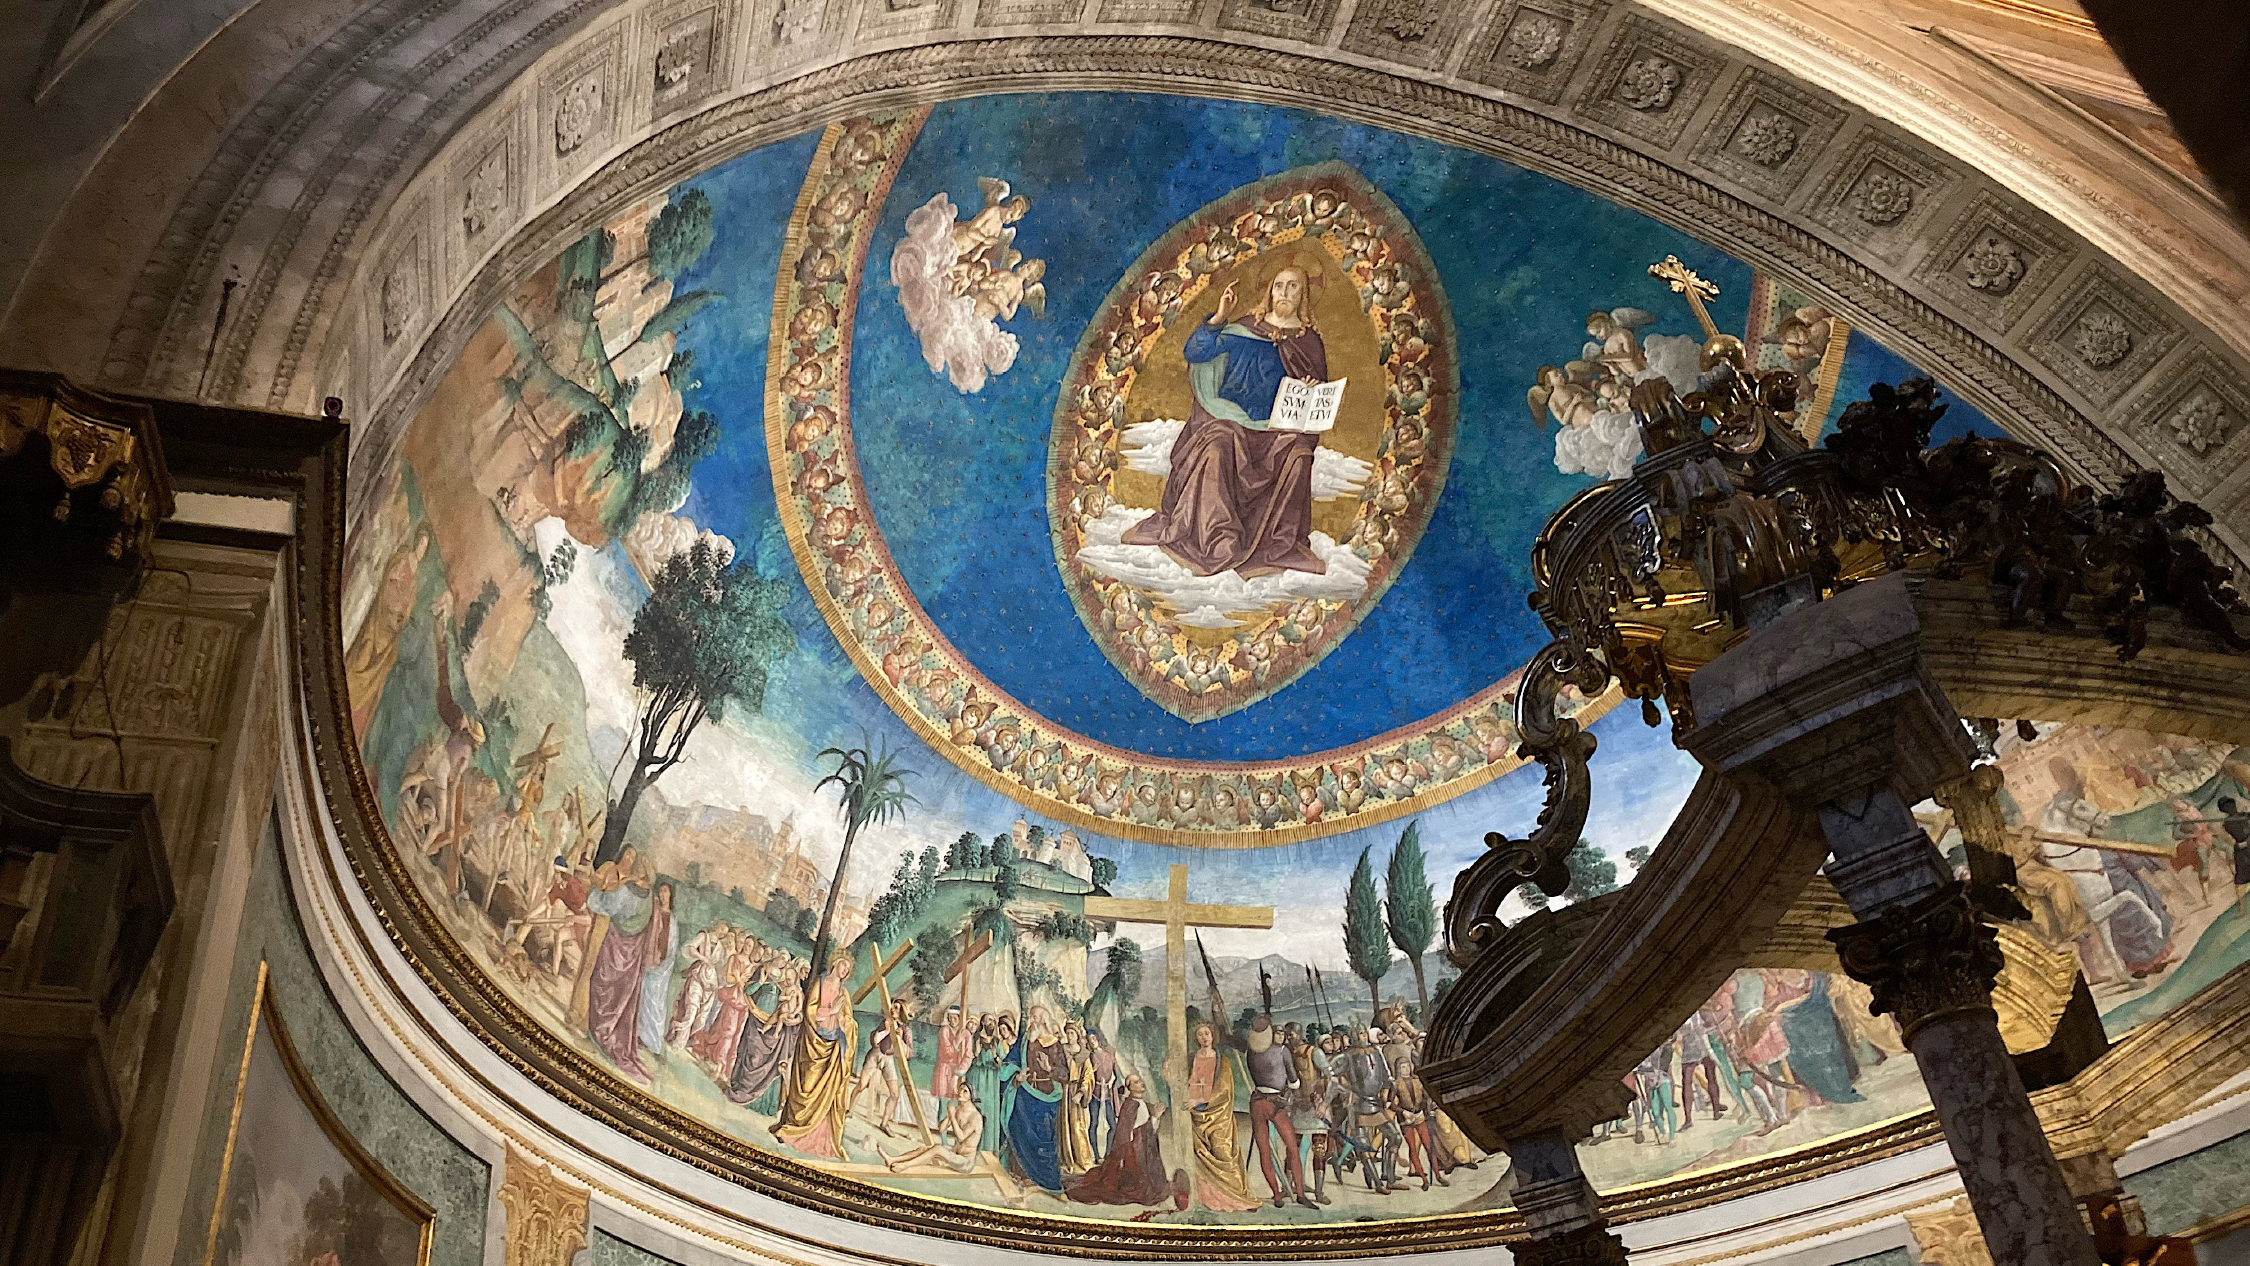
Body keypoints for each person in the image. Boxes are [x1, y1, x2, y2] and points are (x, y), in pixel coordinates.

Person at [1122, 264, 1331, 579]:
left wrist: (1311, 391)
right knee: (1218, 443)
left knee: (1300, 453)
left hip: (1275, 430)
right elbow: (1195, 353)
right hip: (1231, 422)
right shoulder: (1245, 328)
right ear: (1269, 291)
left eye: (1293, 287)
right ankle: (1219, 538)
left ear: (1303, 296)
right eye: (1279, 285)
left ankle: (1279, 544)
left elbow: (1316, 396)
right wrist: (1219, 318)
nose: (1285, 293)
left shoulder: (1308, 342)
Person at [773, 952, 858, 1158]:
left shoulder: (844, 994)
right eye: (842, 966)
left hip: (833, 1048)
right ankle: (792, 1128)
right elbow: (809, 1012)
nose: (844, 971)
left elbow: (849, 1021)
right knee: (807, 1085)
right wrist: (829, 1012)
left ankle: (819, 1138)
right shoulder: (819, 983)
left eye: (847, 969)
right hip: (813, 1043)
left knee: (827, 1092)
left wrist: (842, 1020)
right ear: (835, 964)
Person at [583, 855, 659, 1079]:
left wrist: (597, 890)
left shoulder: (625, 890)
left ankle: (600, 1029)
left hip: (615, 943)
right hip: (633, 954)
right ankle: (615, 1033)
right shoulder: (651, 898)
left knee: (603, 983)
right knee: (621, 996)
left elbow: (604, 907)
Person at [1241, 1015, 1315, 1207]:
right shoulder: (1282, 1051)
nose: (1281, 1037)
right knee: (1291, 1148)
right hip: (1275, 1104)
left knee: (1265, 1151)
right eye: (1278, 1033)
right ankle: (1298, 1193)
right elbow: (1293, 1080)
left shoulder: (1251, 1051)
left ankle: (1277, 1194)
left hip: (1257, 1102)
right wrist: (1293, 1089)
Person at [1187, 1022, 1260, 1210]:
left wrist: (1201, 1100)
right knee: (1201, 1154)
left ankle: (1237, 1195)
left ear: (1213, 1036)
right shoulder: (1192, 1058)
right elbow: (1189, 1081)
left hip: (1218, 1114)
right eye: (1200, 1034)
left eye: (1207, 1034)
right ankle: (1211, 1196)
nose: (1204, 1037)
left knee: (1223, 1152)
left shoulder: (1223, 1061)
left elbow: (1224, 1090)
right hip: (1196, 1113)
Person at [1066, 1074, 1170, 1205]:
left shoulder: (1140, 1103)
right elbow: (1131, 1134)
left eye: (1140, 1080)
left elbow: (1146, 1131)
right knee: (1143, 1189)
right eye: (1136, 1082)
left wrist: (1155, 1118)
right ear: (1130, 1088)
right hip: (1133, 1155)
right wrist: (1154, 1117)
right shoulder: (1131, 1105)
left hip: (1140, 1150)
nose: (1141, 1083)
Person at [1003, 1007, 1066, 1193]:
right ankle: (1023, 1175)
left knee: (1044, 1139)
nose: (1031, 1021)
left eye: (1035, 1017)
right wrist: (1017, 1077)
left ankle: (1047, 1181)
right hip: (1023, 1094)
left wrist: (1049, 1069)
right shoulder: (1024, 1041)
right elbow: (1008, 1063)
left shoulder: (1055, 1045)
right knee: (1019, 1131)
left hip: (1046, 1098)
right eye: (1030, 1017)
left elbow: (1065, 1074)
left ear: (1044, 1020)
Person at [883, 1075, 985, 1175]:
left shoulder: (975, 1117)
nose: (960, 1093)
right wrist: (949, 1115)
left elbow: (961, 1137)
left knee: (937, 1149)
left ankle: (904, 1166)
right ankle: (893, 1159)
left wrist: (952, 1116)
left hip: (965, 1162)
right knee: (925, 1149)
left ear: (971, 1096)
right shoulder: (959, 1109)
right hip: (955, 1154)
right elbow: (941, 1129)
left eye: (965, 1091)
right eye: (960, 1089)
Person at [1390, 1056, 1446, 1192]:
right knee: (1413, 1149)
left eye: (1407, 1066)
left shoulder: (1418, 1081)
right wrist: (1403, 1112)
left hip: (1420, 1116)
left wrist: (1427, 1111)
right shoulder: (1395, 1084)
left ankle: (1438, 1175)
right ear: (1398, 1069)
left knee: (1429, 1146)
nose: (1405, 1069)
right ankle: (1423, 1179)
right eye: (1402, 1067)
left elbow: (1427, 1097)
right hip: (1406, 1120)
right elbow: (1390, 1104)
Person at [1057, 1022, 1097, 1177]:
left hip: (1075, 1092)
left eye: (1072, 1033)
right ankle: (1068, 1161)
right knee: (1064, 1127)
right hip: (1063, 1090)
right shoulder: (1062, 1050)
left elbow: (1088, 1075)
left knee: (1077, 1125)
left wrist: (1081, 1092)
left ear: (1077, 1035)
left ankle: (1084, 1161)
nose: (1069, 1036)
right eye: (1067, 1033)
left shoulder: (1084, 1054)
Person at [932, 1005, 973, 1104]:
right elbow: (946, 1053)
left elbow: (968, 1056)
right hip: (944, 1069)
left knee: (957, 1098)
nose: (952, 1020)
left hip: (958, 1071)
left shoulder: (966, 1034)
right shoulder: (945, 1030)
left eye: (955, 1018)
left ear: (960, 1018)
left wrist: (958, 1073)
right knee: (943, 1098)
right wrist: (957, 1041)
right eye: (950, 1018)